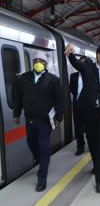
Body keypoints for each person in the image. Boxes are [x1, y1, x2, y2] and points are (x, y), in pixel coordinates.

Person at [64, 43, 100, 193]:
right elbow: (75, 63)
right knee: (92, 144)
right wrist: (71, 53)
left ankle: (99, 180)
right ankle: (96, 164)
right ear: (98, 55)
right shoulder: (88, 68)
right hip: (90, 114)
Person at [13, 53, 64, 192]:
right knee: (31, 143)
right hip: (29, 119)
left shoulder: (53, 80)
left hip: (45, 121)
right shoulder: (24, 79)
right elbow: (17, 97)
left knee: (44, 146)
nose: (38, 63)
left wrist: (58, 117)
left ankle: (42, 178)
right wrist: (16, 113)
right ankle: (41, 160)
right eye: (36, 60)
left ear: (46, 64)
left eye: (41, 61)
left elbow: (60, 99)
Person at [70, 56, 87, 156]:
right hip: (77, 106)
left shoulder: (91, 76)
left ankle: (92, 146)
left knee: (90, 128)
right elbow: (72, 89)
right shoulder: (73, 76)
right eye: (80, 63)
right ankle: (80, 147)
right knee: (78, 128)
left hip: (89, 107)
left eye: (84, 63)